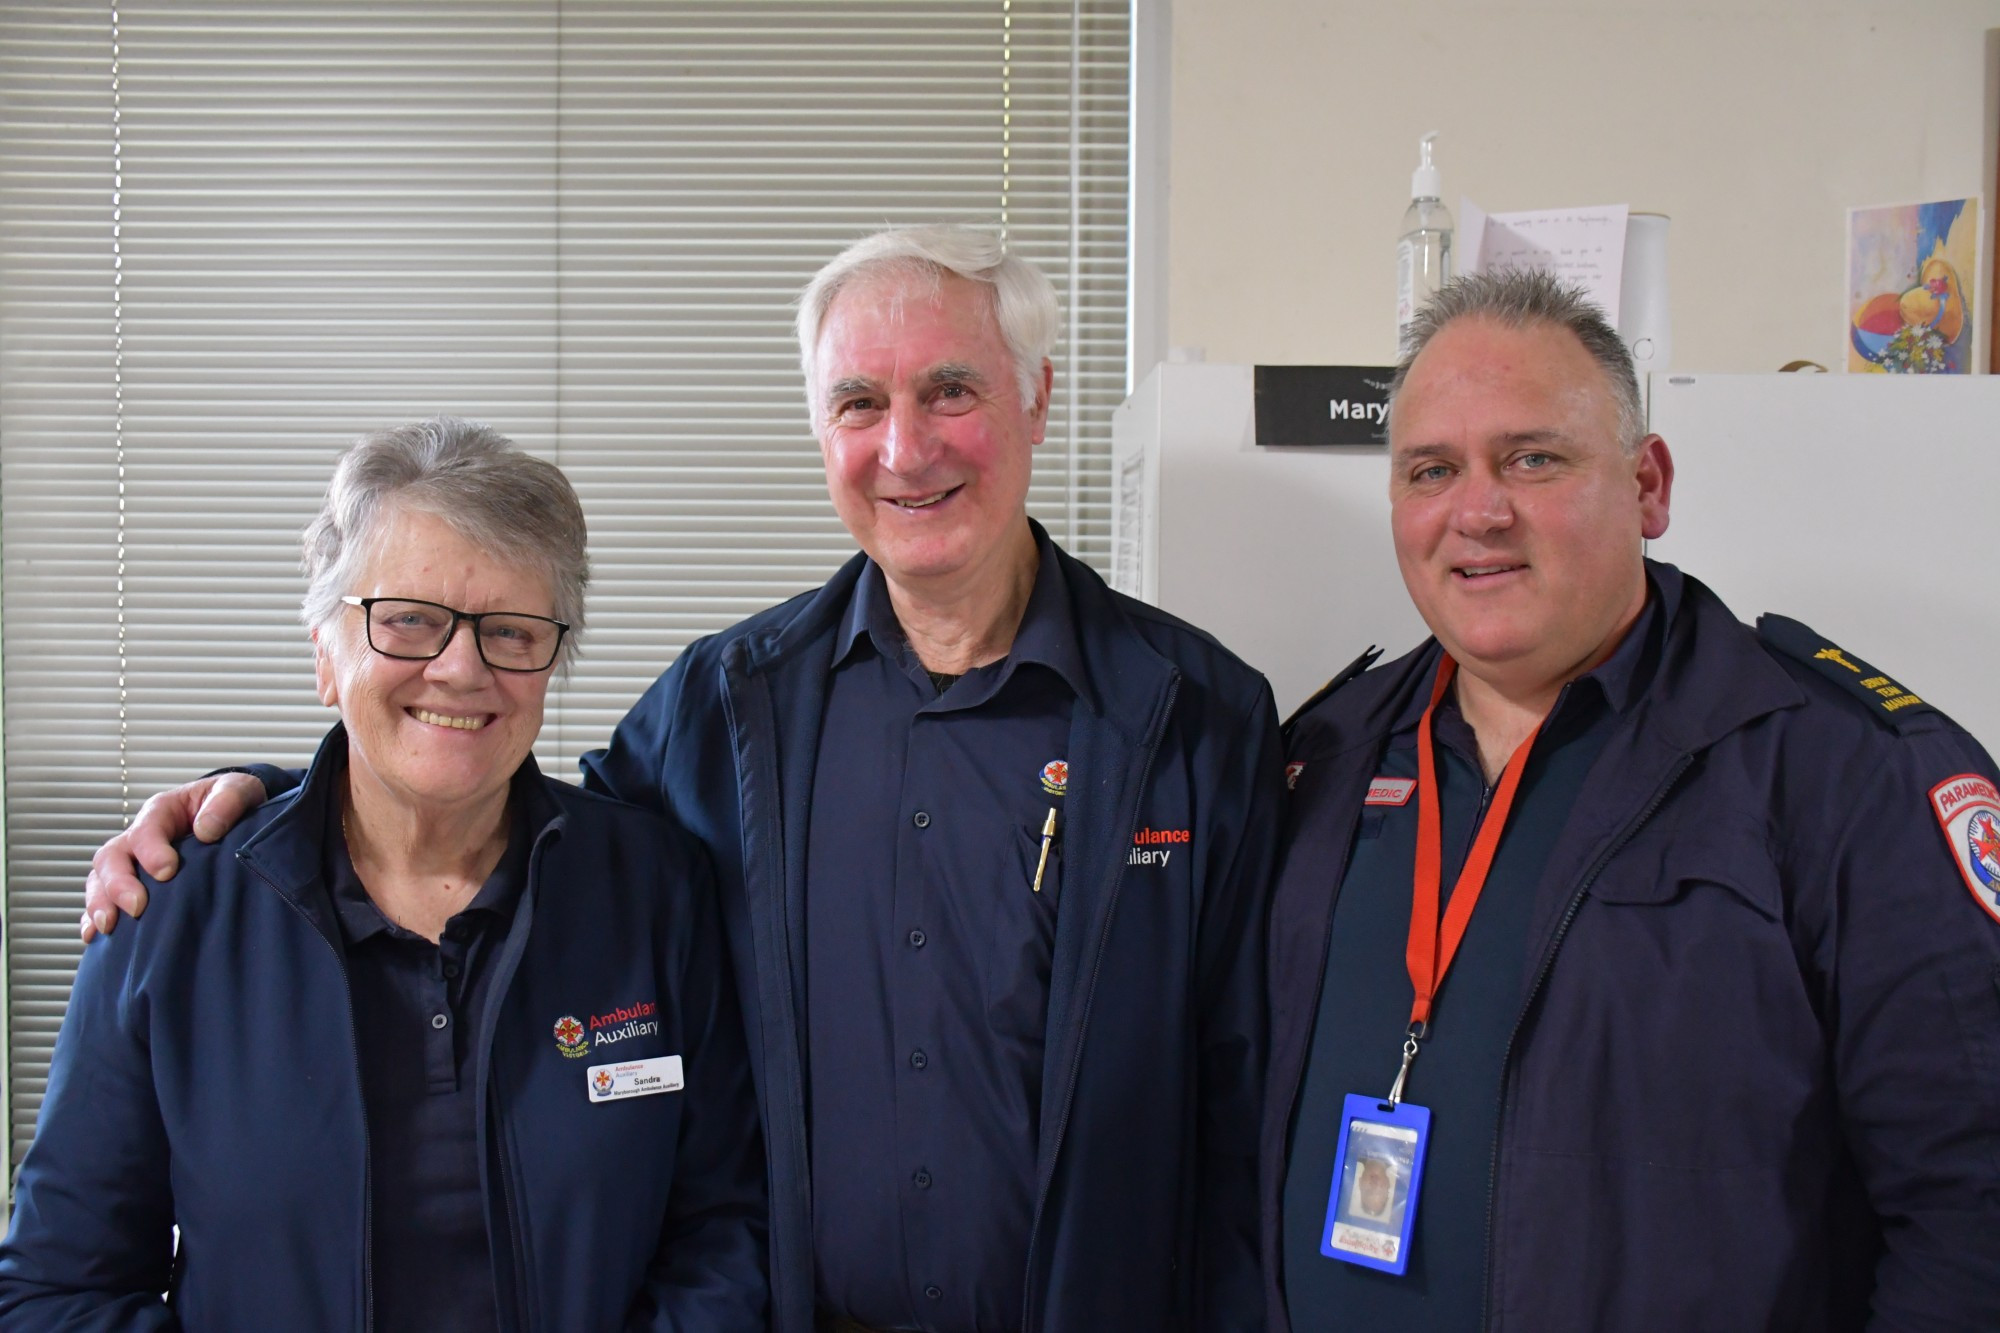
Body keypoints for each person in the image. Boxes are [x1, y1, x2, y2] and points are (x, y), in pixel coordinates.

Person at [82, 228, 1283, 1333]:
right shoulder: (725, 708)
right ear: (822, 435)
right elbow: (477, 787)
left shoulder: (1194, 716)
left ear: (1035, 398)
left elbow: (1246, 1120)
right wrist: (260, 807)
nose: (903, 447)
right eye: (858, 402)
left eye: (950, 390)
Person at [1262, 270, 2000, 1330]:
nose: (1478, 510)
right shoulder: (1319, 756)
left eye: (1532, 458)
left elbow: (1968, 1209)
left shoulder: (1843, 772)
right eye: (1432, 469)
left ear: (1646, 484)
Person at [1, 420, 767, 1329]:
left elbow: (725, 1231)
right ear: (326, 653)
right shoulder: (172, 913)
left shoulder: (655, 893)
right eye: (407, 620)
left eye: (512, 631)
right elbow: (56, 1291)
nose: (460, 668)